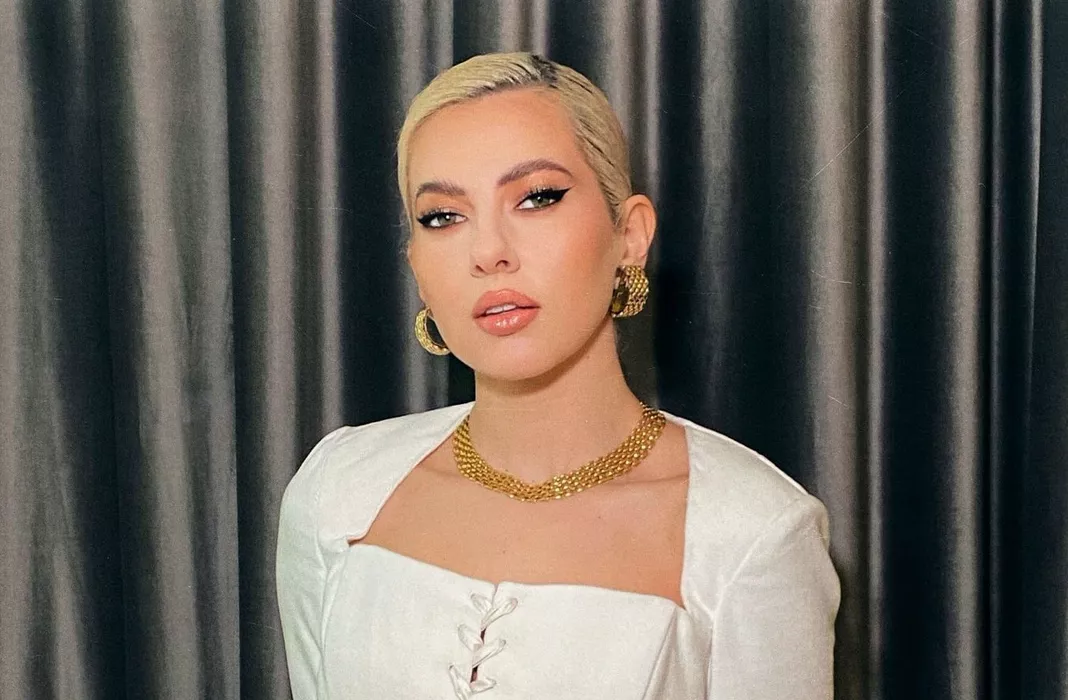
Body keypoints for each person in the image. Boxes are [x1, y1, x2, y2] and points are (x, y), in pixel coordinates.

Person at [276, 52, 840, 699]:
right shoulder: (336, 491)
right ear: (416, 267)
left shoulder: (752, 534)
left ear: (630, 234)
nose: (489, 252)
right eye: (443, 216)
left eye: (537, 198)